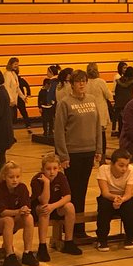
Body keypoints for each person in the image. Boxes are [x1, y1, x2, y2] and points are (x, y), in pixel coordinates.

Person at [53, 69, 102, 239]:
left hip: (88, 152)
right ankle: (70, 229)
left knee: (82, 192)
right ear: (72, 84)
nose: (82, 84)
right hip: (72, 154)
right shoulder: (64, 104)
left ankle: (79, 229)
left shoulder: (92, 100)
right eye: (78, 81)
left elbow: (97, 126)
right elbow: (58, 131)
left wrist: (99, 150)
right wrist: (63, 156)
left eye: (84, 81)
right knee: (72, 192)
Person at [0, 161, 39, 266]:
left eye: (17, 177)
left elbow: (26, 206)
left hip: (14, 219)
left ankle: (27, 252)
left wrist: (25, 210)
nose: (15, 180)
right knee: (8, 220)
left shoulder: (22, 188)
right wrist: (18, 212)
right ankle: (9, 255)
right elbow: (2, 212)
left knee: (29, 217)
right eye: (11, 177)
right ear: (4, 177)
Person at [31, 152, 80, 260]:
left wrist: (53, 206)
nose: (52, 172)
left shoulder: (61, 177)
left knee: (70, 207)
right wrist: (47, 183)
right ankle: (42, 247)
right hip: (39, 209)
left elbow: (68, 197)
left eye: (55, 168)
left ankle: (68, 242)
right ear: (42, 169)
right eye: (48, 169)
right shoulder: (36, 180)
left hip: (54, 207)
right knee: (45, 209)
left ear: (58, 168)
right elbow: (44, 200)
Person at [95, 148, 133, 250]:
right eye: (121, 165)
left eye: (126, 165)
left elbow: (129, 193)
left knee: (130, 208)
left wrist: (121, 199)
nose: (124, 168)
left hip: (124, 197)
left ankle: (130, 237)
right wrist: (115, 198)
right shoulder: (103, 169)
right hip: (108, 196)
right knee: (104, 208)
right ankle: (102, 239)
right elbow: (105, 193)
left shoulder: (132, 170)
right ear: (112, 163)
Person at [85, 62, 113, 161]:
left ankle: (90, 158)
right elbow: (109, 95)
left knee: (90, 137)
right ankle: (102, 158)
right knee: (102, 137)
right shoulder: (101, 82)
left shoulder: (85, 82)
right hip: (100, 112)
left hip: (88, 112)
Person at [12, 62, 32, 129]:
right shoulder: (21, 79)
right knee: (23, 112)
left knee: (15, 112)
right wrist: (28, 93)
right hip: (19, 98)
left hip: (16, 98)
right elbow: (27, 86)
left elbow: (27, 86)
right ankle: (28, 124)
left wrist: (28, 94)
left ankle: (13, 124)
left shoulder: (17, 80)